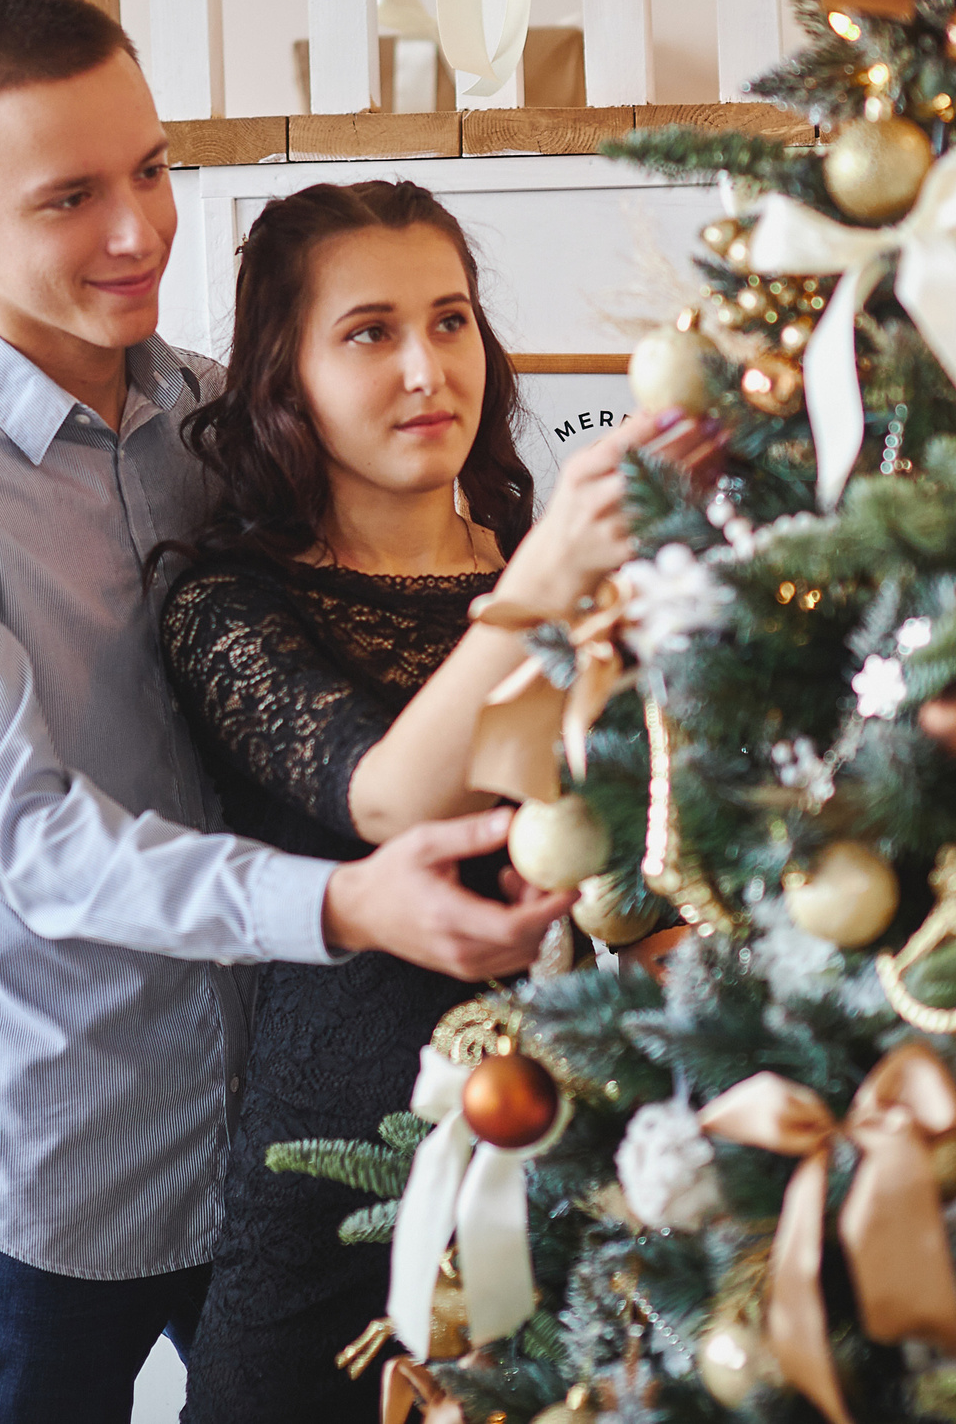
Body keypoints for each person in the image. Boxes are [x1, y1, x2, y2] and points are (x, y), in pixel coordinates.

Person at [0, 0, 576, 1424]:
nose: (137, 230)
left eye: (152, 169)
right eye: (70, 197)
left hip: (283, 1145)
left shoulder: (230, 424)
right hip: (59, 1174)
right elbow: (30, 842)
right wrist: (345, 904)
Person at [158, 181, 711, 1423]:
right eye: (368, 332)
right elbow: (385, 795)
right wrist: (545, 580)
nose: (426, 367)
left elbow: (652, 855)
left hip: (579, 1179)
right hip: (331, 1195)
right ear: (283, 376)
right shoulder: (230, 602)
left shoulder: (552, 564)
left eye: (451, 320)